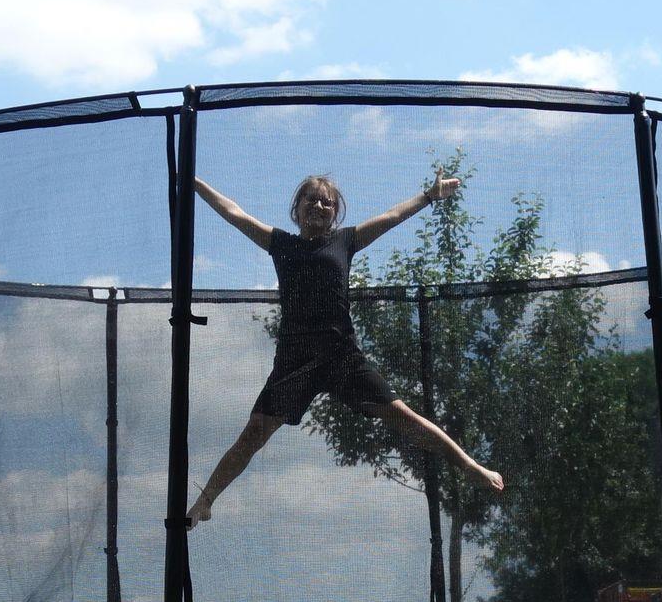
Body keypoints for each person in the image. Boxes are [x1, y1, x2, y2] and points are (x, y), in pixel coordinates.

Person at [186, 171, 505, 526]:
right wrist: (194, 182)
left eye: (327, 202)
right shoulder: (281, 244)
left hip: (341, 355)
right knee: (254, 431)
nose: (319, 205)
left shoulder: (345, 241)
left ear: (335, 213)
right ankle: (205, 500)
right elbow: (234, 213)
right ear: (297, 208)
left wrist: (430, 196)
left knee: (402, 415)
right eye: (311, 199)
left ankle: (469, 465)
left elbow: (391, 216)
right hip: (295, 360)